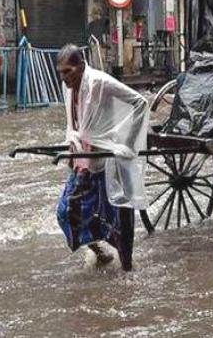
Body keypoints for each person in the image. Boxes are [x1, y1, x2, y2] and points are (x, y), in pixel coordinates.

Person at [55, 44, 149, 271]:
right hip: (84, 160)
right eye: (61, 73)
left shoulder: (99, 82)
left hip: (108, 161)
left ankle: (128, 269)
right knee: (67, 213)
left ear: (80, 66)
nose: (64, 77)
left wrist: (127, 144)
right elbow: (75, 124)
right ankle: (101, 252)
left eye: (68, 71)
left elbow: (139, 103)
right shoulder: (69, 88)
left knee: (119, 217)